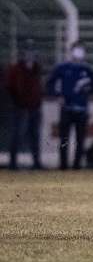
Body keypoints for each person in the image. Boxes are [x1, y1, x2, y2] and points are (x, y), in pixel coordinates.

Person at [46, 41, 93, 170]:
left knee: (81, 139)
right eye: (76, 49)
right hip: (66, 109)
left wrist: (87, 89)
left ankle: (77, 166)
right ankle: (63, 165)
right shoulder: (62, 67)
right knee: (64, 139)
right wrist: (58, 96)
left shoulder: (87, 69)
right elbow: (49, 83)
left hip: (82, 109)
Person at [5, 39, 43, 170]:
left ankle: (36, 162)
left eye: (32, 50)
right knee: (17, 135)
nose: (30, 53)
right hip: (20, 108)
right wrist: (18, 102)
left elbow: (38, 87)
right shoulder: (16, 69)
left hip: (34, 107)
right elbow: (9, 87)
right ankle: (13, 163)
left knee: (35, 136)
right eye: (27, 50)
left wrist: (37, 102)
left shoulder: (37, 68)